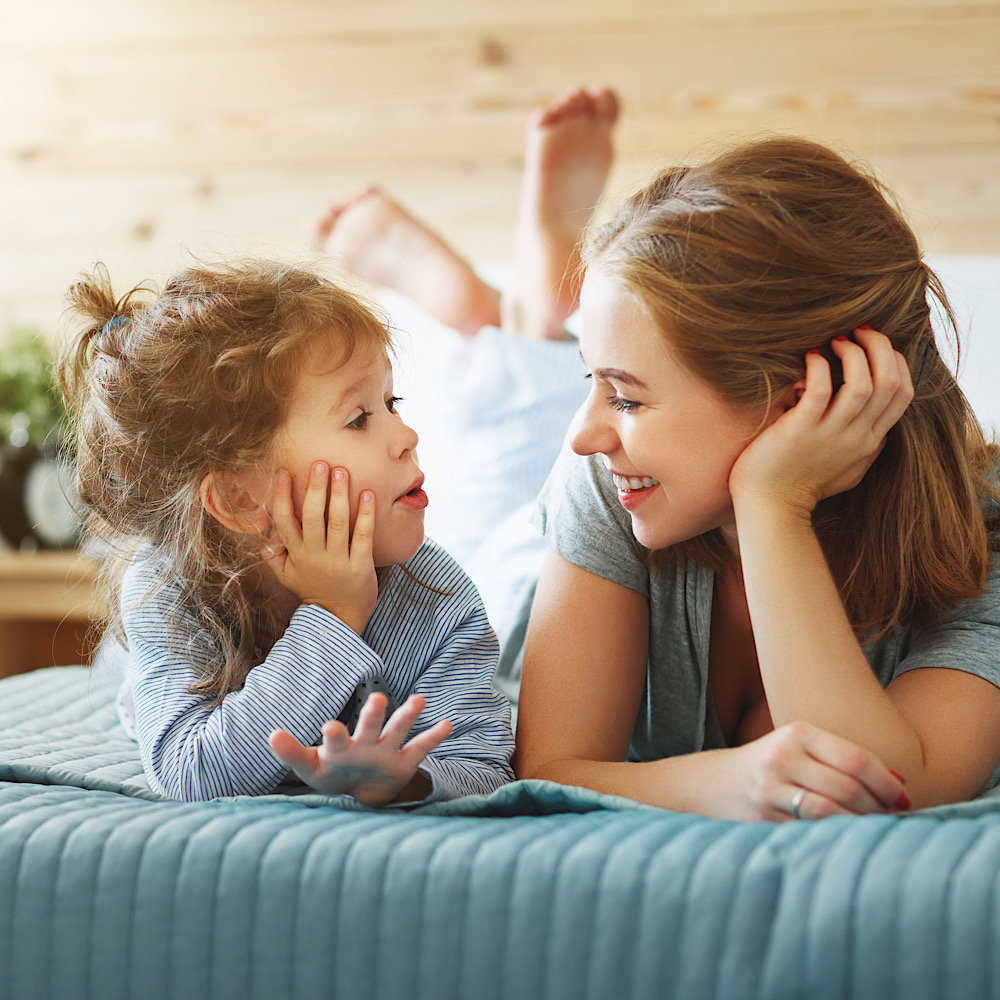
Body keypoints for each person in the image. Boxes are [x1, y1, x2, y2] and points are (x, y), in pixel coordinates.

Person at [512, 133, 1000, 821]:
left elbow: (884, 794)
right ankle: (537, 309)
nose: (585, 434)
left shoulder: (985, 533)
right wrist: (724, 783)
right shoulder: (604, 475)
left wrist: (774, 503)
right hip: (527, 568)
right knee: (508, 461)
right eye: (594, 382)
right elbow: (545, 772)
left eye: (627, 397)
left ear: (804, 400)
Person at [58, 259, 514, 805]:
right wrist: (332, 617)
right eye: (359, 418)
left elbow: (485, 763)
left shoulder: (438, 598)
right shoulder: (169, 588)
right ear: (241, 498)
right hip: (150, 660)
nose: (407, 436)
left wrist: (406, 779)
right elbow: (192, 774)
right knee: (127, 671)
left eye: (392, 404)